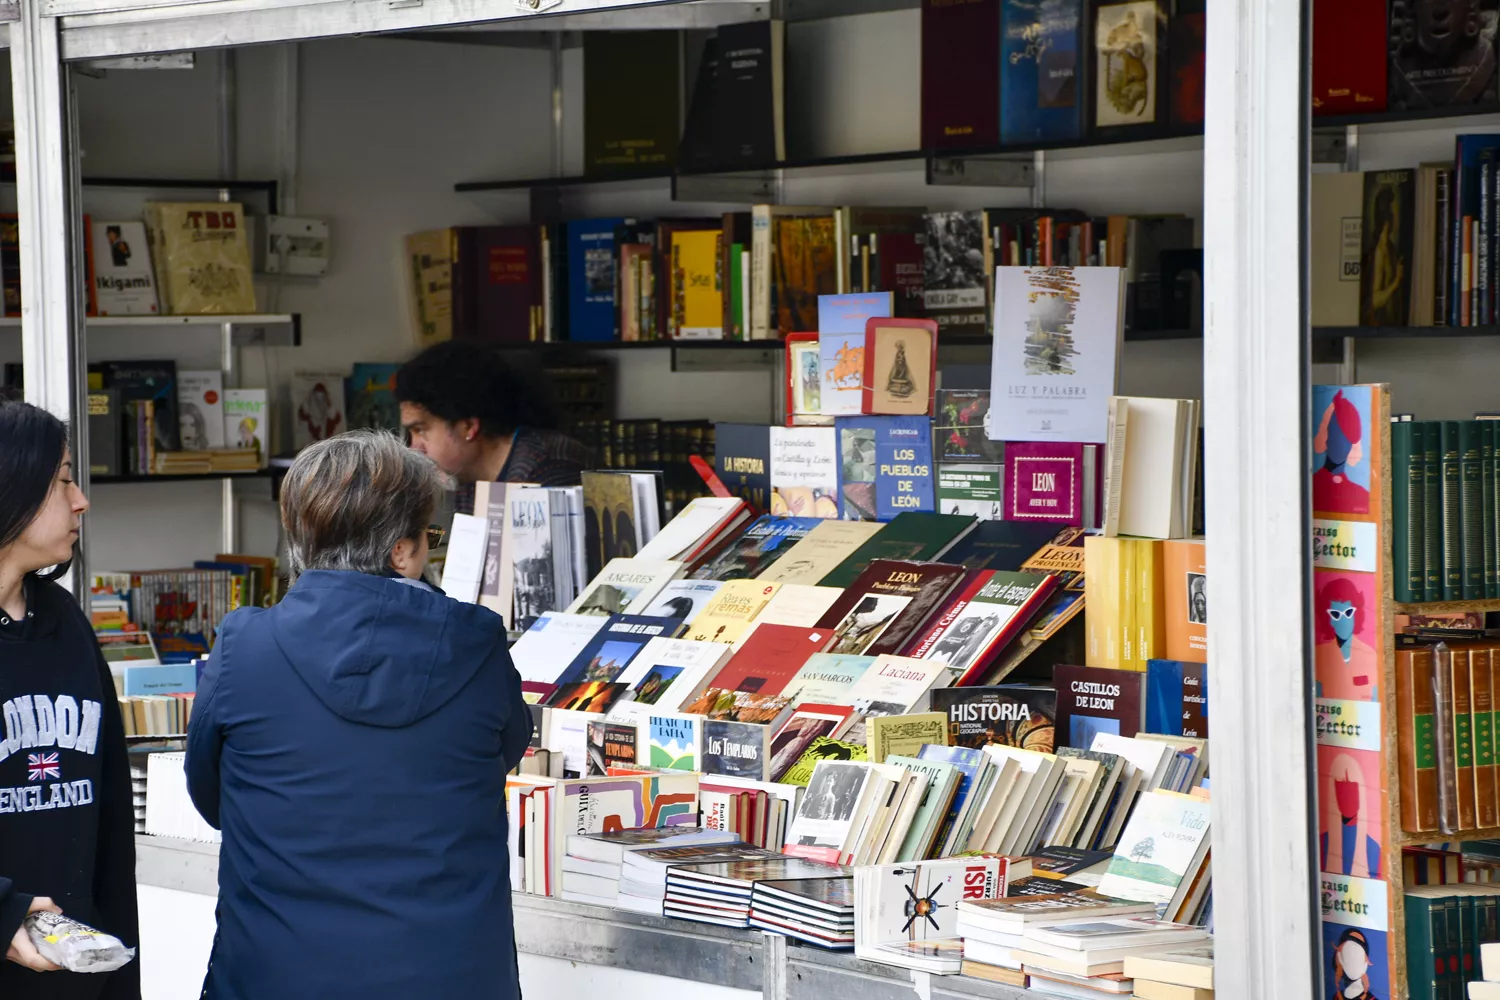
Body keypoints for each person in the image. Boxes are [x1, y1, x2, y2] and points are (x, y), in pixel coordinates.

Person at [185, 430, 531, 1000]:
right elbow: (505, 753)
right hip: (450, 975)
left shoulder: (245, 647)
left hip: (276, 972)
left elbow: (210, 794)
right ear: (401, 550)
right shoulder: (477, 644)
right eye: (429, 536)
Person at [0, 393, 140, 1000]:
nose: (81, 499)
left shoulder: (66, 620)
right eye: (63, 481)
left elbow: (108, 817)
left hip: (78, 971)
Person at [395, 341, 590, 513]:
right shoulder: (466, 478)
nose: (414, 448)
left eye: (420, 430)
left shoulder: (550, 471)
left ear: (468, 426)